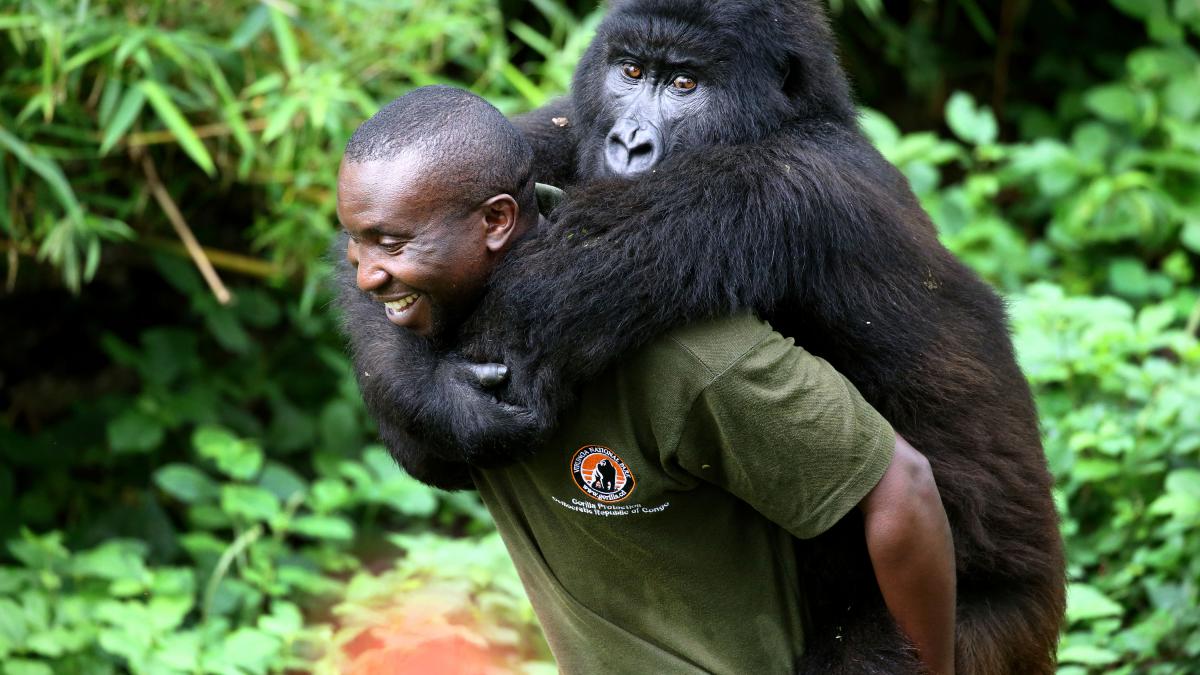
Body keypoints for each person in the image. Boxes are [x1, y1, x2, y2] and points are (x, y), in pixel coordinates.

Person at [336, 85, 957, 675]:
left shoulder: (694, 359)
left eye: (392, 243)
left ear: (496, 222)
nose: (366, 276)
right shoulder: (439, 330)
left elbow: (902, 488)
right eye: (356, 245)